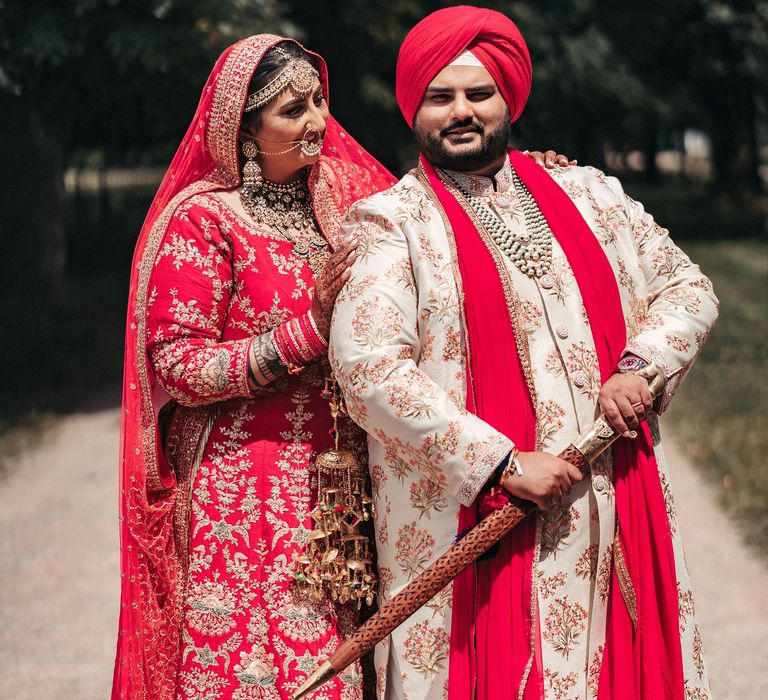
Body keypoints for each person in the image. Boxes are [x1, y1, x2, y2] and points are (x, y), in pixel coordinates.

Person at [112, 32, 566, 699]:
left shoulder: (345, 198)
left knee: (351, 657)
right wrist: (306, 332)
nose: (318, 121)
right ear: (244, 128)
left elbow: (438, 213)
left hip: (349, 476)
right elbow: (177, 365)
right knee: (270, 668)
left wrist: (516, 178)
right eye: (292, 110)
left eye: (319, 101)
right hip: (246, 490)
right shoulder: (206, 220)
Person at [329, 7, 717, 700]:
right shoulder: (394, 224)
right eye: (439, 97)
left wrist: (640, 365)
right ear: (413, 107)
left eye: (478, 94)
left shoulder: (592, 195)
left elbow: (686, 287)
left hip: (610, 502)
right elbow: (368, 368)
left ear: (509, 97)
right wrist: (500, 464)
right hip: (474, 519)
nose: (460, 112)